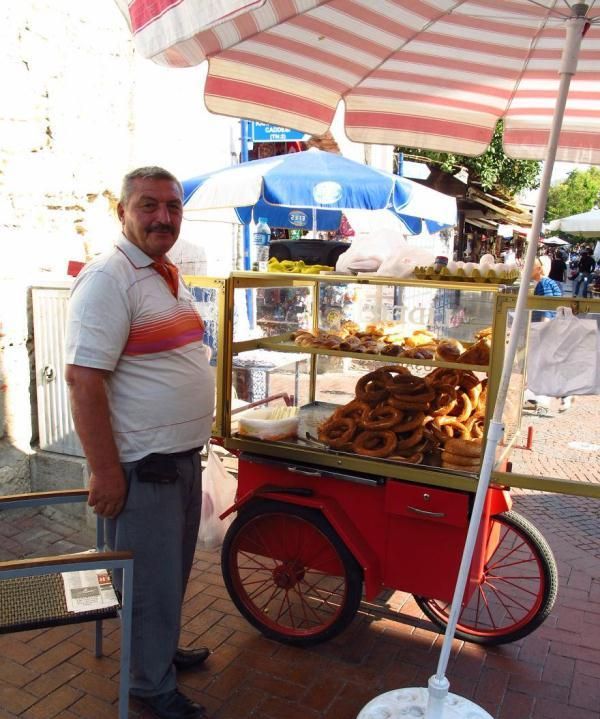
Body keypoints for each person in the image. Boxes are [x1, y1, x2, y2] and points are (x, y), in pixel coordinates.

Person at [65, 167, 215, 719]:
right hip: (142, 467)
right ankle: (150, 688)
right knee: (149, 581)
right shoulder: (110, 278)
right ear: (123, 212)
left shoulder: (160, 272)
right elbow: (83, 379)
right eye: (148, 206)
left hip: (178, 459)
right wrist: (104, 471)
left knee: (168, 572)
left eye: (173, 207)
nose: (163, 217)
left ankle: (159, 654)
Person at [524, 258, 572, 414]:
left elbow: (547, 308)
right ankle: (557, 395)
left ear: (539, 269)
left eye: (530, 267)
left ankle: (552, 398)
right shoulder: (549, 283)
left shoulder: (544, 284)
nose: (527, 270)